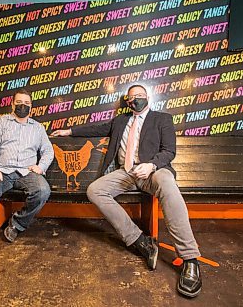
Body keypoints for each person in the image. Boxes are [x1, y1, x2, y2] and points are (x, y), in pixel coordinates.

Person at [51, 84, 202, 298]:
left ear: (147, 97)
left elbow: (169, 151)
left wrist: (151, 165)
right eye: (133, 97)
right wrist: (69, 131)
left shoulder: (162, 119)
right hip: (127, 174)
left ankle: (190, 259)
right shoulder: (121, 120)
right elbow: (97, 129)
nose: (137, 99)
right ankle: (140, 241)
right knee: (95, 190)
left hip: (153, 171)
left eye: (140, 96)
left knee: (168, 185)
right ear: (128, 101)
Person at [0, 89, 54, 264]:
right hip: (2, 172)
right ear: (12, 104)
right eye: (19, 102)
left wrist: (41, 167)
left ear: (31, 107)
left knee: (43, 190)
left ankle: (17, 225)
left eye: (26, 103)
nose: (22, 106)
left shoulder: (38, 128)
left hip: (27, 172)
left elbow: (48, 151)